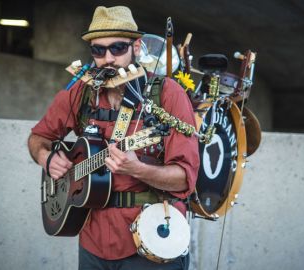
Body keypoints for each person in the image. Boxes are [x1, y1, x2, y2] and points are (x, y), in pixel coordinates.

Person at [28, 5, 199, 270]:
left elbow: (185, 178)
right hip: (92, 240)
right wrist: (45, 157)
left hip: (150, 242)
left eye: (117, 48)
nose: (108, 58)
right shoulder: (81, 93)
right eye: (98, 50)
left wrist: (138, 169)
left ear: (137, 47)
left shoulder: (168, 94)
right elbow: (38, 137)